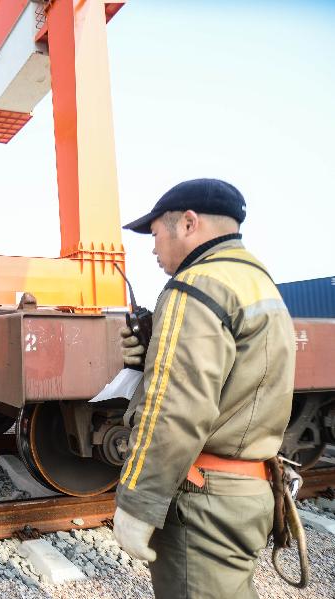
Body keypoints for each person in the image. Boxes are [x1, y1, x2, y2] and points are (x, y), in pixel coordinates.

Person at [112, 178, 296, 598]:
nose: (153, 249)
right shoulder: (257, 281)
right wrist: (153, 355)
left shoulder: (194, 285)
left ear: (189, 223)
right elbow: (241, 382)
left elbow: (173, 409)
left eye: (155, 234)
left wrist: (138, 503)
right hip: (250, 491)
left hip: (204, 500)